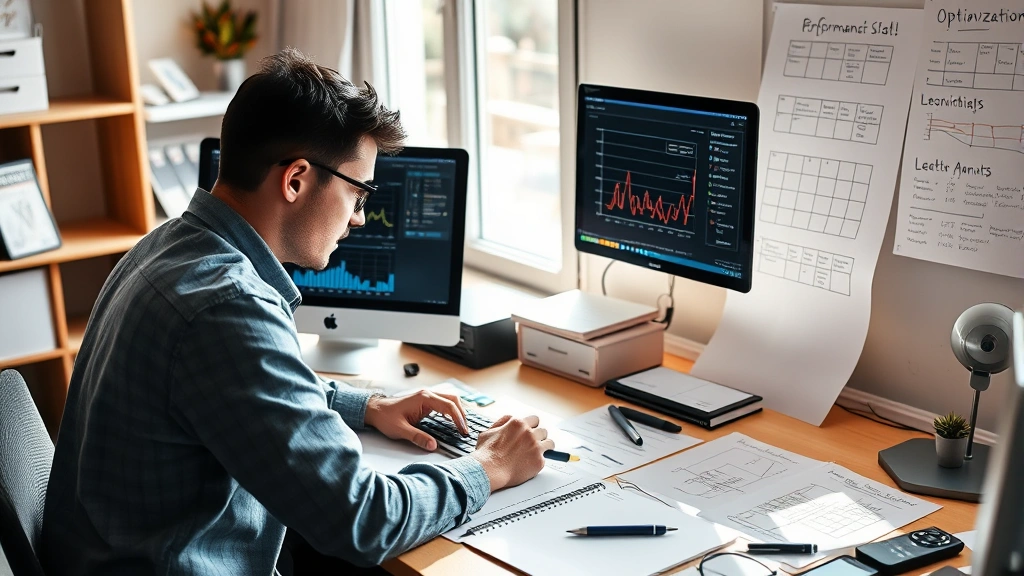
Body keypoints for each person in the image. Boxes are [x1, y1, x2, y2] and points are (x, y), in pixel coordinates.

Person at [40, 48, 554, 576]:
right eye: (359, 193)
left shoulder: (164, 247)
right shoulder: (228, 307)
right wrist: (487, 467)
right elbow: (362, 521)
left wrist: (367, 406)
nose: (359, 218)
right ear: (295, 180)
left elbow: (235, 390)